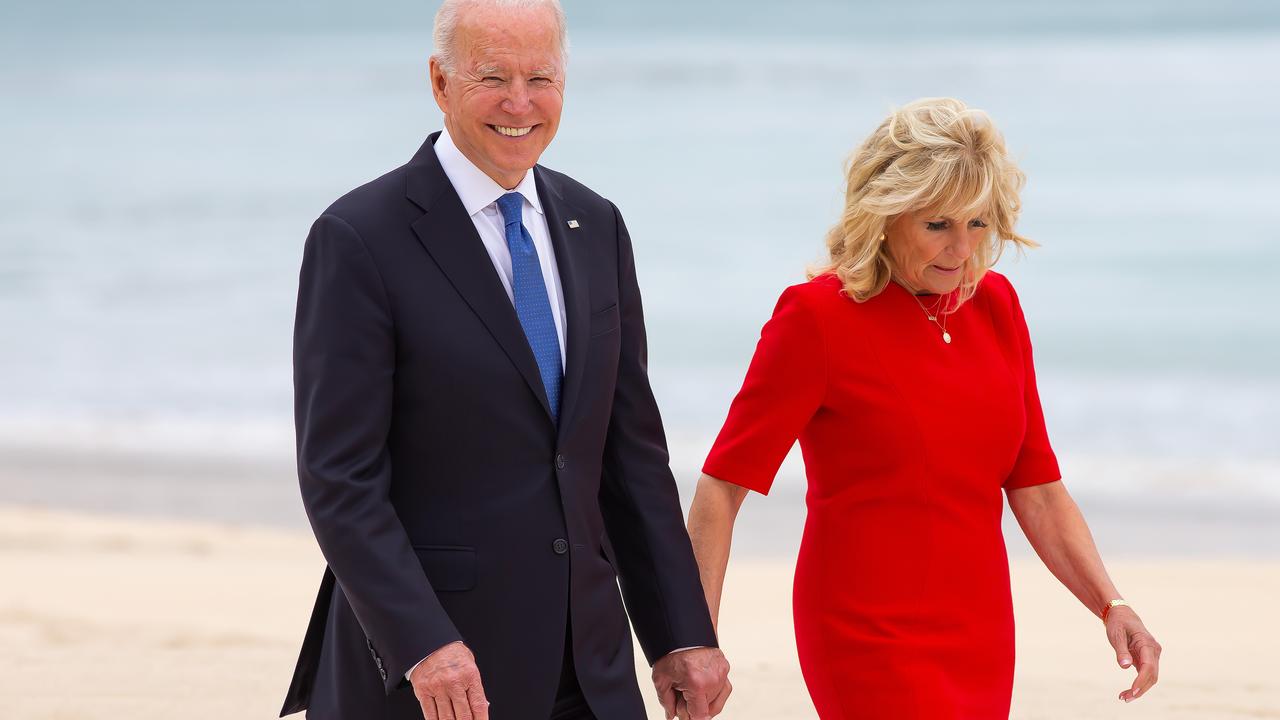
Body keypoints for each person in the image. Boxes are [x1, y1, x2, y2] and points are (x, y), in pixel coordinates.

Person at [279, 1, 731, 718]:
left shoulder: (596, 224)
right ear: (440, 81)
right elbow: (340, 478)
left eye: (541, 77)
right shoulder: (359, 237)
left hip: (591, 666)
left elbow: (630, 457)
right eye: (493, 77)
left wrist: (679, 633)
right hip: (438, 674)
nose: (520, 103)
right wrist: (422, 643)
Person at [686, 97, 1162, 719]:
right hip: (865, 633)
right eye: (937, 225)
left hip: (981, 628)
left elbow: (1037, 487)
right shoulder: (817, 319)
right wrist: (695, 640)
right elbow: (721, 489)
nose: (961, 250)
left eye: (978, 224)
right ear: (884, 216)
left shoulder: (995, 306)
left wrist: (1112, 604)